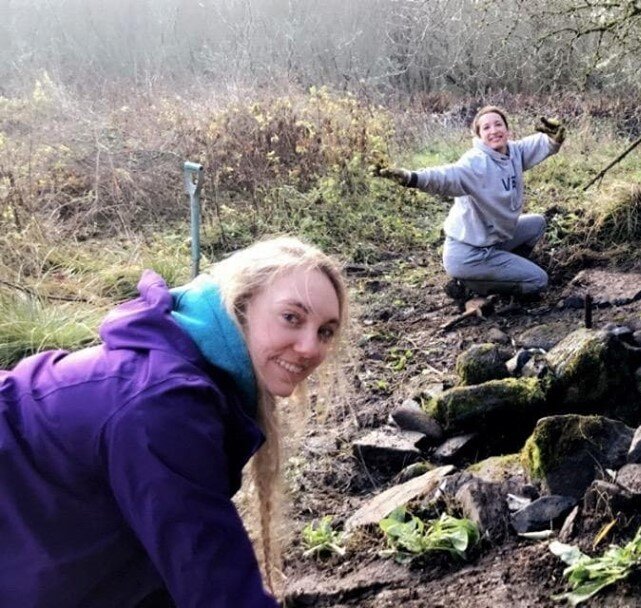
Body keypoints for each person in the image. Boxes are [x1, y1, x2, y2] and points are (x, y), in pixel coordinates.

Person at [0, 236, 349, 607]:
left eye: (325, 331)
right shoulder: (164, 405)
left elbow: (172, 547)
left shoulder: (195, 376)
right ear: (240, 306)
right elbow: (216, 585)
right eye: (291, 318)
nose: (311, 347)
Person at [372, 105, 566, 300]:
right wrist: (410, 178)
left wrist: (553, 139)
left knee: (537, 223)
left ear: (507, 130)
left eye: (498, 124)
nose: (494, 131)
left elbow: (538, 144)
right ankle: (474, 286)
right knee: (539, 280)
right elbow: (445, 176)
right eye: (486, 128)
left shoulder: (514, 152)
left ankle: (509, 270)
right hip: (469, 254)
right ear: (479, 136)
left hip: (493, 240)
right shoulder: (476, 163)